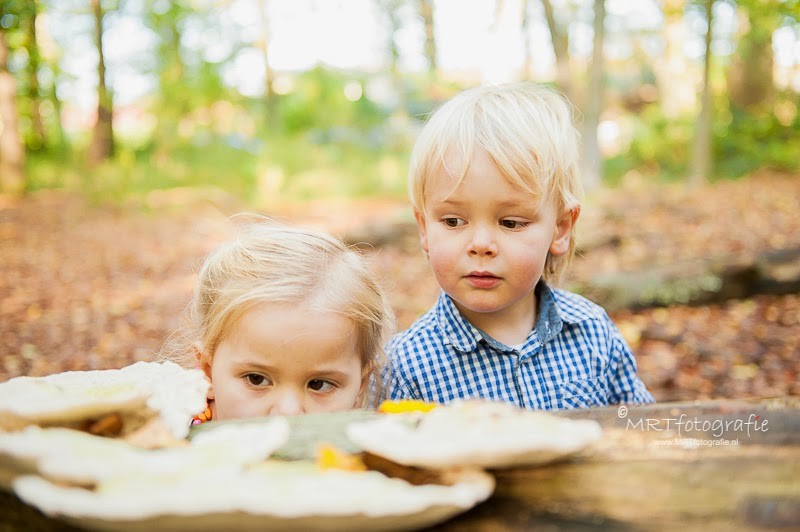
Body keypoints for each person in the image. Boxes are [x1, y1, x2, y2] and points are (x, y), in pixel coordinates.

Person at [383, 82, 654, 409]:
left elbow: (642, 433)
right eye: (453, 221)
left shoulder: (592, 333)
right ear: (424, 228)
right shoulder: (408, 367)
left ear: (560, 228)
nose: (481, 245)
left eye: (511, 222)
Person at [161, 217, 395, 422]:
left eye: (319, 384)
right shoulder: (170, 452)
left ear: (360, 387)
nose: (288, 412)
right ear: (207, 373)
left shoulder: (358, 465)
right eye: (256, 379)